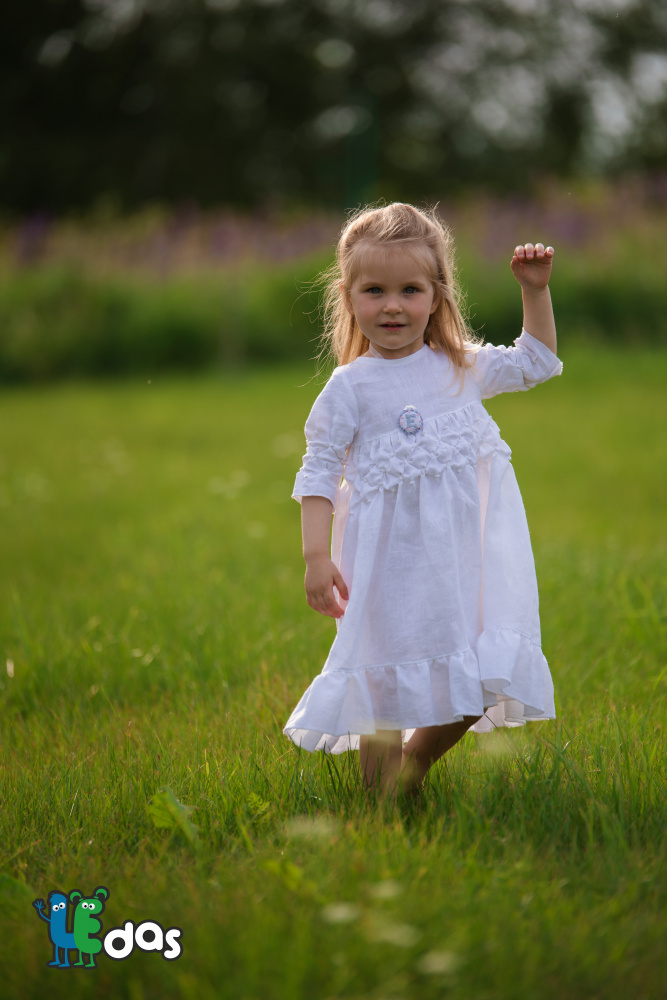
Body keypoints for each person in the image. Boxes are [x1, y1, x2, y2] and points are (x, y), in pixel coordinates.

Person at [283, 202, 562, 799]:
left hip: (463, 566)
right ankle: (381, 808)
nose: (392, 305)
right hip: (384, 570)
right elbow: (318, 473)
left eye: (410, 290)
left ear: (437, 296)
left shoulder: (460, 366)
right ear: (349, 296)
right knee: (381, 686)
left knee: (480, 675)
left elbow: (536, 362)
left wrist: (534, 292)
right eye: (374, 290)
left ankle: (415, 767)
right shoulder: (350, 388)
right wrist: (314, 558)